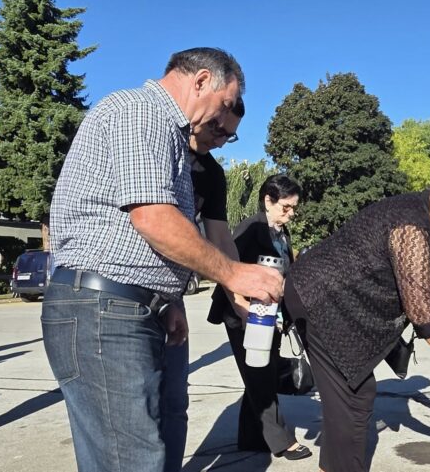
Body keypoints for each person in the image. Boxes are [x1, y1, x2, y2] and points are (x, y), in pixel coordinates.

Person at [44, 47, 283, 472]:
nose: (219, 128)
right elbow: (153, 218)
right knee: (132, 459)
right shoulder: (142, 111)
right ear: (202, 80)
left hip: (128, 304)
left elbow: (159, 232)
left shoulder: (172, 136)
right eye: (225, 106)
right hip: (104, 308)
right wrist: (234, 274)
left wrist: (165, 298)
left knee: (148, 442)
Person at [283, 162, 430, 471]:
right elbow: (424, 315)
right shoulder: (411, 225)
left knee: (354, 395)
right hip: (318, 300)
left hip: (325, 299)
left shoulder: (418, 214)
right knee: (351, 399)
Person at [158, 97, 247, 472]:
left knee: (174, 403)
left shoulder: (212, 174)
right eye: (217, 129)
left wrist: (240, 296)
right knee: (138, 410)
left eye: (230, 135)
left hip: (171, 296)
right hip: (127, 288)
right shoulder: (162, 150)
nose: (221, 140)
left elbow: (220, 238)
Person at [207, 174, 312, 460]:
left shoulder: (281, 232)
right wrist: (240, 305)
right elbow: (226, 268)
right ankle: (282, 441)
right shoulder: (251, 227)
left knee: (260, 372)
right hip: (243, 314)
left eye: (293, 208)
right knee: (260, 377)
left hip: (268, 315)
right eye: (286, 207)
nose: (290, 214)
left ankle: (250, 436)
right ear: (268, 200)